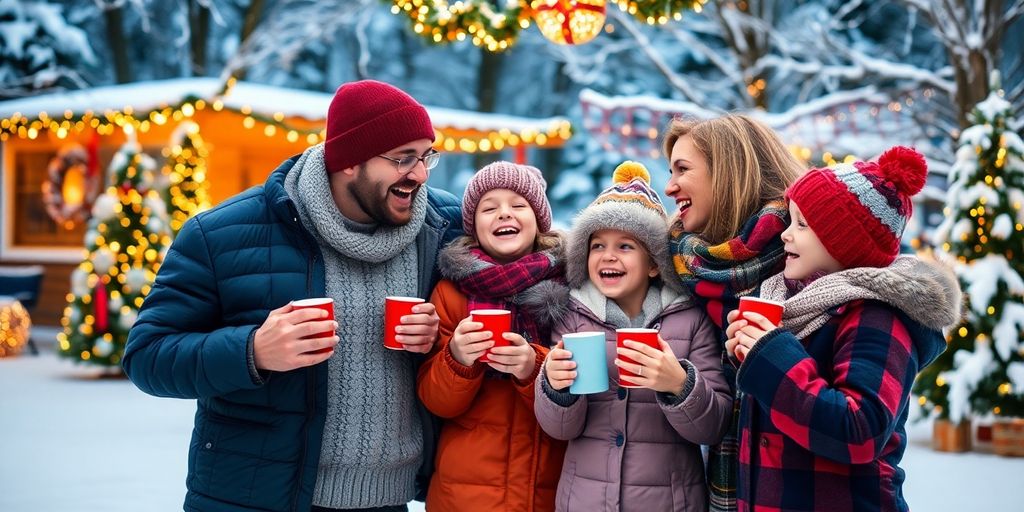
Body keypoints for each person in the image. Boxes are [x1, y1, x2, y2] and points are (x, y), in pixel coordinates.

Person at [122, 80, 463, 512]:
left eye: (426, 156)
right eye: (403, 158)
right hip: (256, 498)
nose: (420, 174)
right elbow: (147, 356)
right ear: (348, 161)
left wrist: (439, 340)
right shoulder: (221, 234)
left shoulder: (444, 226)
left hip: (390, 500)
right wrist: (253, 351)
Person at [724, 147, 960, 511]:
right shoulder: (793, 304)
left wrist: (769, 355)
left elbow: (860, 430)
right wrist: (747, 352)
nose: (786, 235)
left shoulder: (879, 316)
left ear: (843, 241)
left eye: (802, 225)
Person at [534, 162, 733, 511]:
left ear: (654, 263)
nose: (608, 256)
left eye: (625, 246)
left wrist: (680, 384)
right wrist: (555, 386)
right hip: (584, 502)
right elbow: (561, 430)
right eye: (597, 246)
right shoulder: (572, 318)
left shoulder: (690, 320)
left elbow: (712, 428)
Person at [662, 115, 804, 512]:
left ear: (727, 172)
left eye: (682, 169)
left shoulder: (807, 260)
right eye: (670, 171)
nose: (670, 186)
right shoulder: (682, 267)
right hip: (727, 488)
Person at [416, 161, 569, 511]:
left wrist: (534, 367)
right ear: (473, 227)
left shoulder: (568, 290)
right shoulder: (451, 293)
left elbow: (578, 400)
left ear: (539, 220)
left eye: (518, 205)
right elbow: (436, 402)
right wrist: (457, 359)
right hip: (463, 495)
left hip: (545, 489)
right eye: (489, 208)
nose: (504, 214)